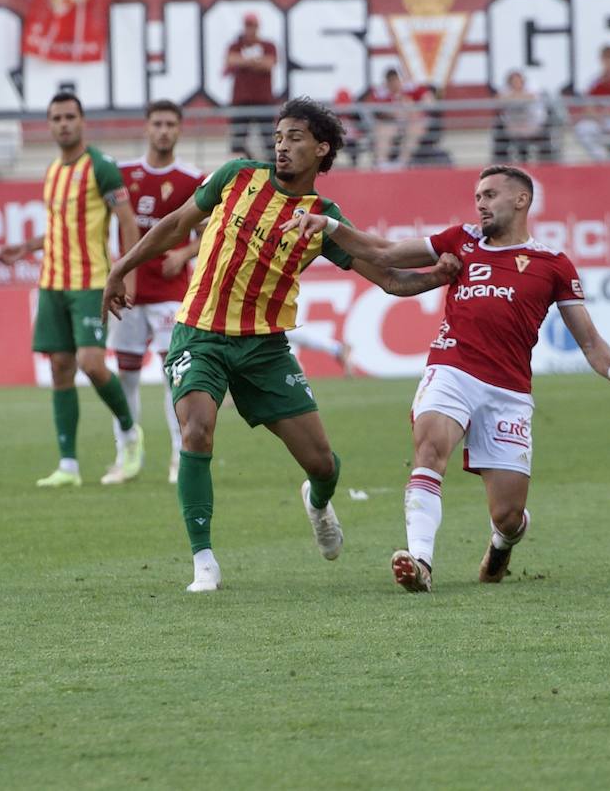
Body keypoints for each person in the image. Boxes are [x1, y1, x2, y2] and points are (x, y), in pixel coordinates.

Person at [101, 97, 461, 592]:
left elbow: (390, 279)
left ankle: (316, 502)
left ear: (322, 149)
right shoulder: (236, 176)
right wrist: (122, 266)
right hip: (199, 333)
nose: (282, 147)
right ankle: (204, 561)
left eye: (295, 138)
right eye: (278, 137)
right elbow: (177, 224)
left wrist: (436, 276)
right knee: (197, 430)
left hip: (264, 349)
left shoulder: (322, 217)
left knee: (323, 465)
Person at [287, 164, 610, 594]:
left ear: (521, 200)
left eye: (491, 194)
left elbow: (588, 339)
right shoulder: (459, 240)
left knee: (508, 515)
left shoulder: (553, 265)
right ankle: (420, 560)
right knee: (429, 450)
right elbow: (382, 252)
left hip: (509, 391)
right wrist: (329, 224)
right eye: (477, 196)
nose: (480, 203)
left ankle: (502, 543)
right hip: (452, 369)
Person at [0, 91, 143, 488]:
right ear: (49, 125)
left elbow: (127, 222)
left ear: (82, 121)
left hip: (91, 282)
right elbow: (61, 227)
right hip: (52, 284)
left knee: (92, 364)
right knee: (60, 369)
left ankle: (130, 434)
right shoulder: (52, 172)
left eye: (69, 117)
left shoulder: (101, 167)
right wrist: (25, 248)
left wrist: (126, 273)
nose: (63, 123)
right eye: (56, 118)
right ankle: (69, 466)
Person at [102, 99, 204, 487]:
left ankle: (181, 457)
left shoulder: (192, 179)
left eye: (170, 125)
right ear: (146, 128)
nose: (163, 131)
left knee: (175, 377)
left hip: (171, 294)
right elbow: (102, 222)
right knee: (125, 376)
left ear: (179, 130)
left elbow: (212, 229)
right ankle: (126, 453)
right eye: (157, 124)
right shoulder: (122, 173)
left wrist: (184, 252)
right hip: (127, 295)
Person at [226, 12, 277, 158]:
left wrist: (244, 61)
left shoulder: (268, 45)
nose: (250, 29)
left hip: (263, 100)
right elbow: (231, 60)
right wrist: (255, 61)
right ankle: (246, 166)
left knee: (269, 141)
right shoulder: (236, 45)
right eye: (247, 25)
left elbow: (269, 64)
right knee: (237, 141)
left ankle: (275, 171)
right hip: (241, 100)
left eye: (252, 25)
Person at [492, 69, 550, 163]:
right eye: (513, 82)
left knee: (545, 136)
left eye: (518, 81)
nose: (516, 84)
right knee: (500, 131)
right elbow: (497, 99)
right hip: (513, 128)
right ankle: (501, 164)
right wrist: (515, 96)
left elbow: (532, 96)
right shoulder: (505, 89)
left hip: (534, 127)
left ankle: (547, 163)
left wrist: (514, 96)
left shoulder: (532, 86)